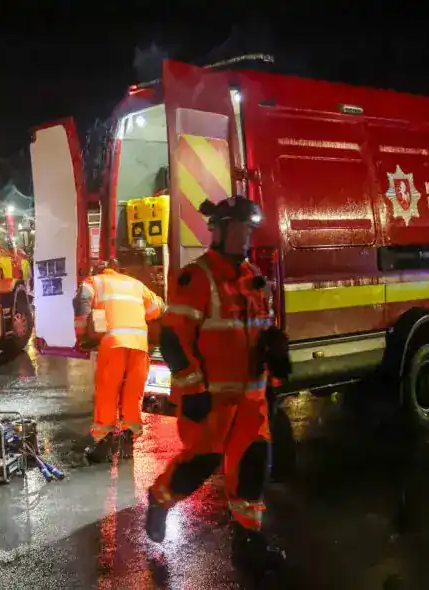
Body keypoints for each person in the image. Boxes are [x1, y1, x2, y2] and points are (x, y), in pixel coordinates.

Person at [144, 195, 288, 573]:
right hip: (210, 401)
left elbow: (262, 330)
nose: (246, 237)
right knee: (200, 464)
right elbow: (173, 339)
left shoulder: (252, 277)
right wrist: (192, 390)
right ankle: (159, 499)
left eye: (249, 230)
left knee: (253, 466)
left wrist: (275, 362)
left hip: (251, 401)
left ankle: (249, 540)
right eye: (240, 229)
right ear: (220, 231)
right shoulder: (198, 277)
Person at [73, 258, 164, 463]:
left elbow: (82, 301)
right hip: (139, 344)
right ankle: (127, 439)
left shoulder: (94, 281)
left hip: (113, 343)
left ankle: (104, 442)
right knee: (133, 392)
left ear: (100, 270)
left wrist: (82, 335)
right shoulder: (135, 284)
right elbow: (157, 308)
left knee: (108, 390)